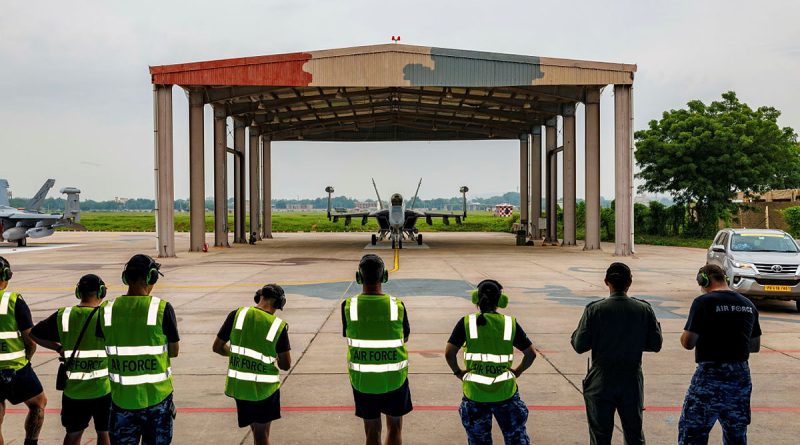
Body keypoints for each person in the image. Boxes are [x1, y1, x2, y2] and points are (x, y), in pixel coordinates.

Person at [570, 262, 663, 445]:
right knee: (634, 433)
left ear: (606, 282)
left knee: (600, 435)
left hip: (601, 378)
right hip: (631, 378)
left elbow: (579, 345)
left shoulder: (594, 310)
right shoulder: (643, 309)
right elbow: (656, 344)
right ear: (629, 283)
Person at [96, 254, 180, 445]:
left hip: (121, 400)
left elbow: (103, 344)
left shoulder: (107, 310)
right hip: (157, 400)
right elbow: (174, 351)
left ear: (126, 278)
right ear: (152, 277)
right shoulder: (162, 308)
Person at [444, 279, 537, 445]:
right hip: (505, 393)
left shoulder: (466, 322)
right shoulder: (509, 323)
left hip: (475, 394)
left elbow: (449, 353)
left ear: (476, 298)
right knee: (516, 438)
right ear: (501, 301)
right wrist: (518, 371)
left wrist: (458, 372)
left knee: (479, 440)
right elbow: (530, 354)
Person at [678, 264, 761, 445]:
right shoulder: (748, 305)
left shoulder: (703, 302)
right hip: (740, 378)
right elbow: (754, 346)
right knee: (736, 435)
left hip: (710, 377)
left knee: (693, 432)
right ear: (726, 278)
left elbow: (688, 343)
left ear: (703, 280)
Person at [31, 274, 111, 445]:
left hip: (73, 391)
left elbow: (34, 334)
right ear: (101, 292)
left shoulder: (64, 315)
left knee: (73, 434)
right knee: (104, 433)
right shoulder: (105, 316)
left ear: (78, 292)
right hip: (102, 389)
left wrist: (58, 347)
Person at [342, 254, 412, 445]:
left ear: (358, 277)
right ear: (385, 276)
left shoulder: (349, 306)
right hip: (394, 379)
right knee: (395, 428)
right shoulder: (397, 305)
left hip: (363, 380)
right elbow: (404, 337)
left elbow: (349, 334)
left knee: (372, 431)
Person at [213, 284, 292, 445]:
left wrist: (237, 355)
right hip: (264, 390)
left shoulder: (237, 314)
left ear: (259, 297)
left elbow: (217, 347)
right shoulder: (277, 325)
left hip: (240, 388)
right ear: (279, 304)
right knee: (262, 436)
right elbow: (285, 364)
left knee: (258, 433)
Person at [0, 256, 47, 445]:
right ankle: (30, 442)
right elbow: (31, 340)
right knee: (38, 404)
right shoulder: (13, 300)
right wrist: (27, 358)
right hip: (16, 368)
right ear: (6, 275)